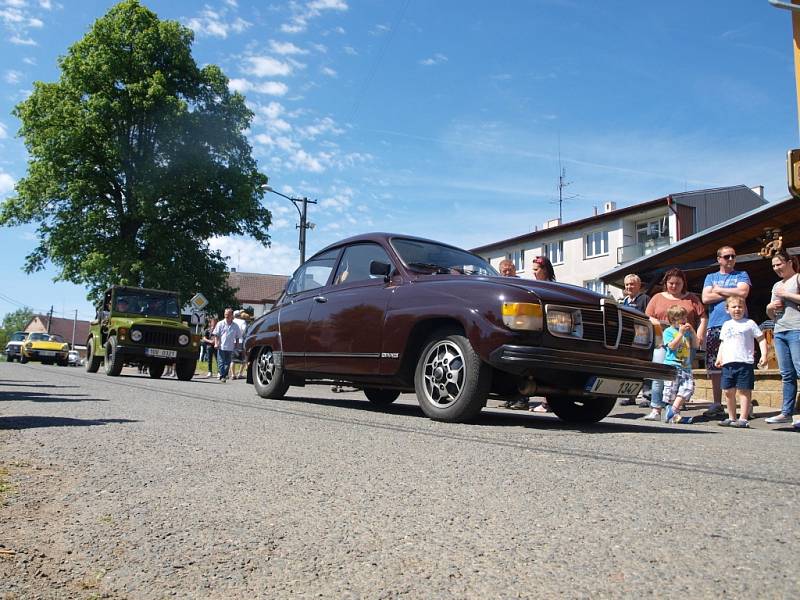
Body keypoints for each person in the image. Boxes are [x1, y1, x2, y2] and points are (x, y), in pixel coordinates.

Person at [645, 268, 707, 420]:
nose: (674, 286)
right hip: (663, 341)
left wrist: (698, 336)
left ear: (683, 283)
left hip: (686, 343)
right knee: (659, 376)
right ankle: (656, 409)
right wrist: (659, 324)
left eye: (677, 283)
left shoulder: (691, 298)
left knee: (681, 378)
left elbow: (703, 317)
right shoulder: (657, 297)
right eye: (671, 283)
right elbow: (647, 316)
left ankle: (673, 410)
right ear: (666, 283)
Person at [701, 246, 751, 419]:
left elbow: (743, 292)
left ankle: (743, 407)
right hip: (716, 326)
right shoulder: (710, 277)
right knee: (716, 366)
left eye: (733, 256)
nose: (730, 259)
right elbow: (706, 298)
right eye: (727, 256)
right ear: (719, 259)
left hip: (739, 326)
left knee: (739, 364)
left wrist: (719, 290)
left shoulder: (742, 274)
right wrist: (731, 294)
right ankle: (717, 404)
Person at [715, 296, 768, 428]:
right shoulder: (726, 325)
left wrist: (764, 354)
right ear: (727, 310)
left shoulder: (749, 323)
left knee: (744, 391)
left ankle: (743, 418)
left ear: (744, 309)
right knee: (728, 391)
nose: (737, 309)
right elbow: (723, 343)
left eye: (740, 307)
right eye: (734, 307)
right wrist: (719, 357)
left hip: (744, 362)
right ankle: (731, 417)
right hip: (728, 363)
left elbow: (761, 339)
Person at [765, 250, 800, 426]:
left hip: (797, 329)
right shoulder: (776, 286)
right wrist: (770, 307)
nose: (776, 268)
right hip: (780, 330)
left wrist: (786, 295)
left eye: (779, 264)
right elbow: (772, 314)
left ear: (789, 262)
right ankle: (786, 413)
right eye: (773, 266)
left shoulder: (798, 279)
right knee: (787, 374)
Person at [656, 305, 699, 424]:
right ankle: (674, 416)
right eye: (680, 318)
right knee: (672, 393)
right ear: (672, 320)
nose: (683, 321)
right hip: (673, 366)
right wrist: (680, 334)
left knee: (688, 388)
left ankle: (673, 411)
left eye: (685, 317)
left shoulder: (687, 332)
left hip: (686, 366)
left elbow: (696, 344)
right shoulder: (668, 331)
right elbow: (671, 346)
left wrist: (693, 331)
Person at [619, 274, 651, 406]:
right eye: (627, 284)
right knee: (629, 368)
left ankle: (647, 396)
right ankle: (630, 395)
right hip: (627, 340)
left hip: (642, 339)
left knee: (644, 367)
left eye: (632, 284)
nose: (629, 287)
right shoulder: (623, 301)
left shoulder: (645, 299)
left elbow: (649, 317)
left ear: (639, 285)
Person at [530, 255, 556, 413]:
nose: (533, 273)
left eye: (536, 270)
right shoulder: (540, 285)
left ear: (545, 270)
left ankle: (547, 402)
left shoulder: (549, 287)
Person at [212, 308, 242, 383]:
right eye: (225, 314)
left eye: (228, 314)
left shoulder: (235, 326)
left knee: (227, 363)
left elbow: (238, 337)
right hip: (221, 346)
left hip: (230, 348)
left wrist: (237, 346)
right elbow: (216, 335)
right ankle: (222, 376)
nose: (226, 316)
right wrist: (216, 343)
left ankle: (224, 374)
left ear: (232, 315)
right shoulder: (220, 323)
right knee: (221, 362)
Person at [232, 310, 249, 379]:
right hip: (240, 340)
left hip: (232, 341)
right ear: (239, 315)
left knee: (232, 359)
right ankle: (240, 373)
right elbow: (244, 330)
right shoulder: (242, 322)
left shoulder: (232, 321)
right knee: (243, 358)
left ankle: (233, 374)